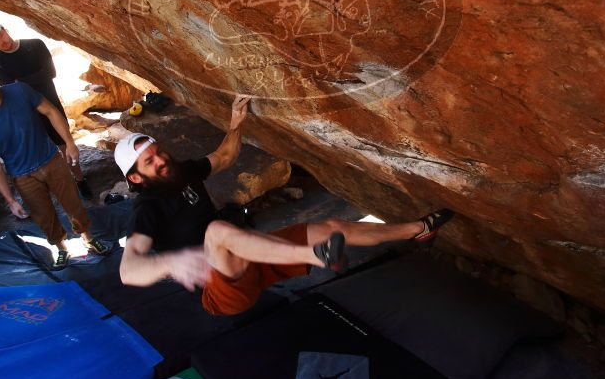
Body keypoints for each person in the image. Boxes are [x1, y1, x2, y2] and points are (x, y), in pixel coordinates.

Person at [116, 94, 455, 316]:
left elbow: (223, 157)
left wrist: (236, 122)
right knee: (219, 230)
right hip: (220, 291)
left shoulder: (182, 172)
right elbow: (129, 271)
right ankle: (317, 256)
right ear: (136, 178)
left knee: (333, 227)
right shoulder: (147, 210)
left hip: (249, 256)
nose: (161, 159)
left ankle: (419, 229)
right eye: (149, 162)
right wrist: (172, 263)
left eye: (158, 151)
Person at [0, 70, 108, 269]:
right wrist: (10, 200)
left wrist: (69, 143)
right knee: (43, 215)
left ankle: (87, 238)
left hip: (51, 159)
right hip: (22, 174)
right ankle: (62, 248)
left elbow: (51, 111)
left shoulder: (19, 90)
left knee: (73, 203)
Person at [0, 22, 92, 199]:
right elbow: (11, 89)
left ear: (5, 30)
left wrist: (21, 82)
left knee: (65, 143)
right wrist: (31, 80)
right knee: (41, 151)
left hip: (51, 103)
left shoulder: (35, 45)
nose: (0, 41)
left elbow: (50, 72)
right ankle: (56, 186)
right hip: (27, 111)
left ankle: (79, 179)